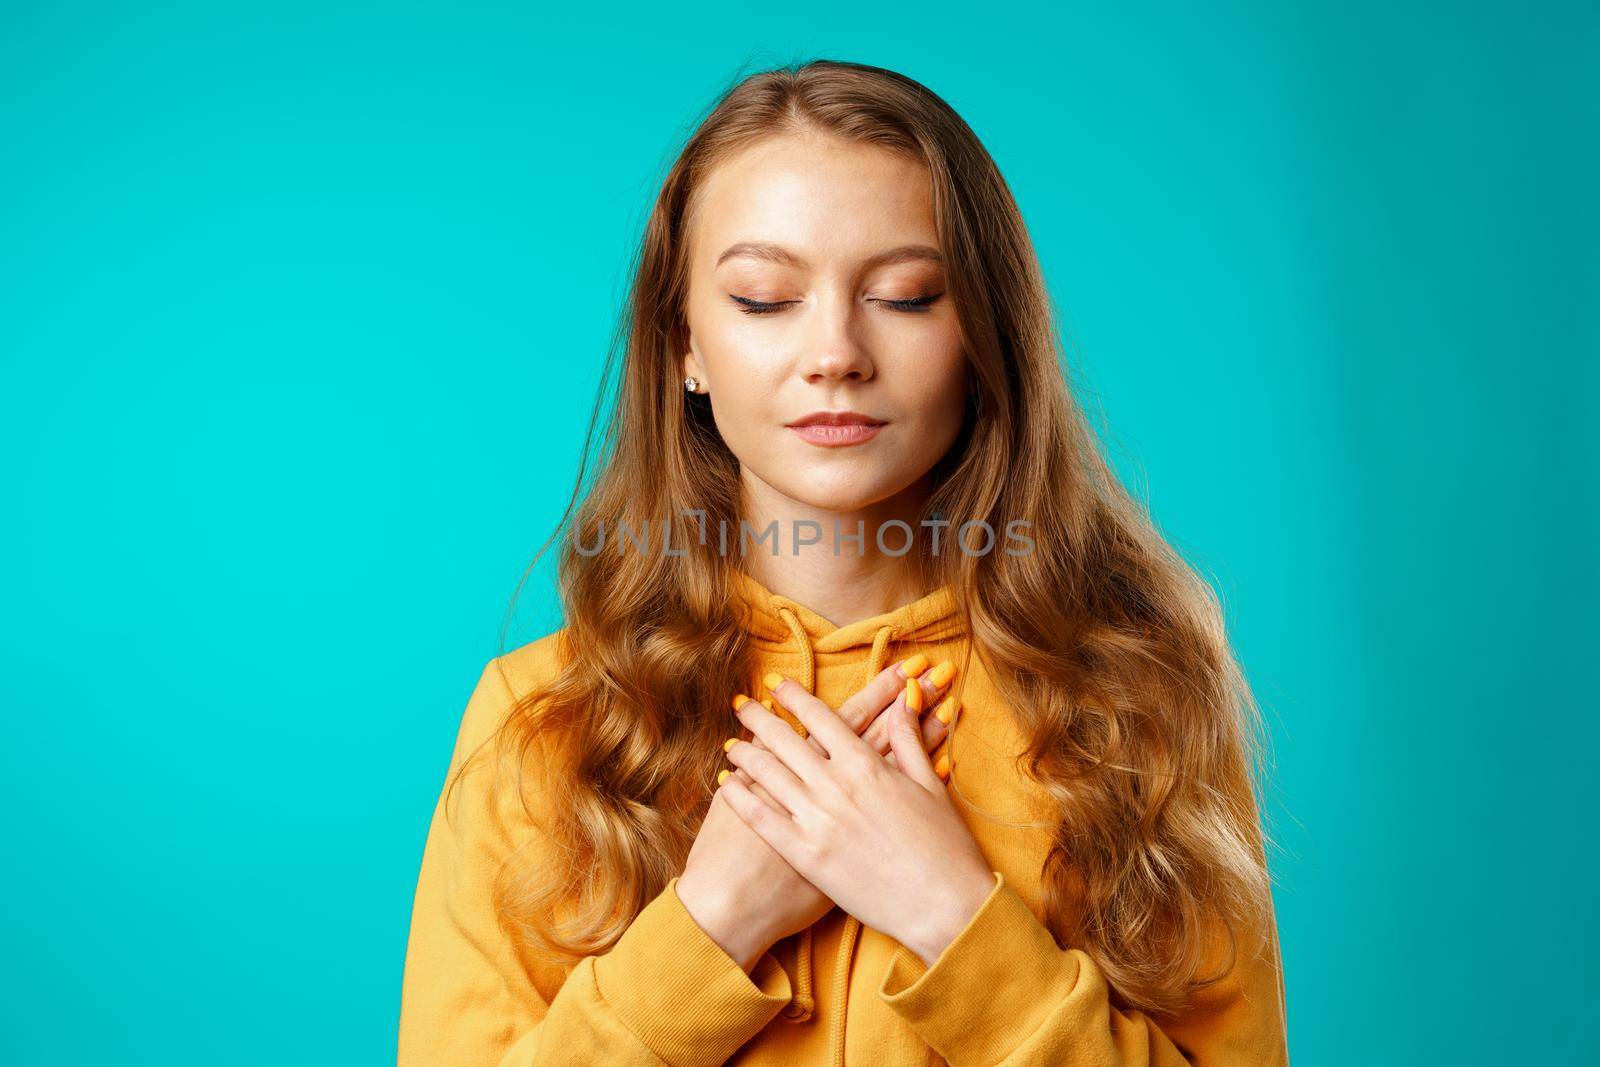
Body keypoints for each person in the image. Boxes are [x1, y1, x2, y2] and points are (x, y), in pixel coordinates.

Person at [398, 58, 1290, 1066]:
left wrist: (953, 915)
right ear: (684, 340)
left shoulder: (1134, 695)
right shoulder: (542, 716)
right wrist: (711, 924)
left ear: (984, 333)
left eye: (906, 297)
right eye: (763, 297)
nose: (835, 351)